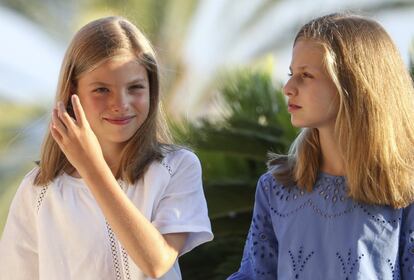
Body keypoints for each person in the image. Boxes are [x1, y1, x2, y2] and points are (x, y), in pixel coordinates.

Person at [0, 16, 213, 280]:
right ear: (71, 94)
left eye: (135, 87)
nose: (120, 103)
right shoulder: (38, 192)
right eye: (102, 89)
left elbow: (157, 262)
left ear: (151, 89)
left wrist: (92, 168)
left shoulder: (177, 168)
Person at [228, 13, 414, 279]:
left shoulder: (405, 192)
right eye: (291, 74)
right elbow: (255, 275)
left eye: (306, 75)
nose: (288, 87)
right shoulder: (276, 189)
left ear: (353, 85)